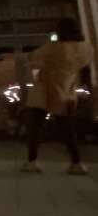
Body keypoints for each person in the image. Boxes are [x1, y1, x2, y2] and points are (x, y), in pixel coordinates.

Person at [21, 18, 93, 175]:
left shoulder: (53, 48)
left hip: (43, 92)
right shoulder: (86, 48)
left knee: (35, 128)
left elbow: (32, 58)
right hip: (66, 92)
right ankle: (77, 163)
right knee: (68, 131)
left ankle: (32, 162)